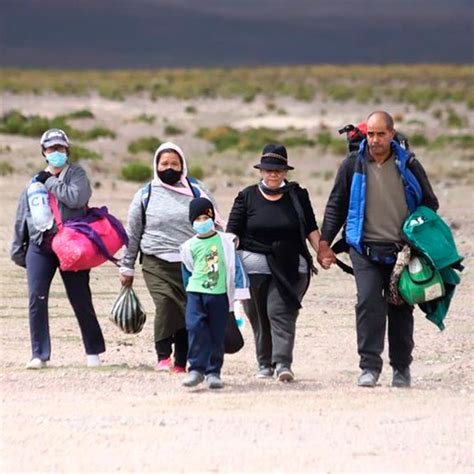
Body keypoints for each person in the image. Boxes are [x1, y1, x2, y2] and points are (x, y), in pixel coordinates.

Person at [317, 111, 439, 388]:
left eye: (380, 134)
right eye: (370, 134)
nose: (374, 140)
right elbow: (336, 204)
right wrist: (325, 242)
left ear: (392, 134)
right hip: (364, 248)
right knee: (368, 302)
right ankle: (369, 367)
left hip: (402, 252)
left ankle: (401, 369)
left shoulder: (408, 164)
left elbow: (430, 203)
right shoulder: (352, 164)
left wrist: (417, 233)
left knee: (400, 307)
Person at [120, 142, 224, 373]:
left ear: (183, 165)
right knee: (166, 304)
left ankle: (181, 361)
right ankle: (163, 356)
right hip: (155, 261)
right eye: (164, 163)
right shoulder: (145, 194)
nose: (169, 167)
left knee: (189, 310)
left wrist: (225, 253)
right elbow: (133, 232)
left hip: (192, 262)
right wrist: (127, 267)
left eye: (174, 164)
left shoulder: (197, 191)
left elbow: (217, 223)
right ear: (156, 165)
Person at [11, 128, 106, 369]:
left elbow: (75, 198)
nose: (56, 152)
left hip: (71, 244)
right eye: (51, 148)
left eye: (60, 148)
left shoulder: (77, 174)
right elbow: (23, 214)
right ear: (44, 151)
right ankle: (39, 354)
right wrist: (17, 248)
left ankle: (93, 352)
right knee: (36, 298)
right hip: (40, 245)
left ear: (67, 150)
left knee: (80, 297)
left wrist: (51, 181)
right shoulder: (34, 181)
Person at [226, 144, 320, 382]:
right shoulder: (246, 196)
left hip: (290, 265)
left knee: (279, 310)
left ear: (285, 171)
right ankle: (264, 364)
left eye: (278, 169)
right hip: (252, 267)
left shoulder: (298, 196)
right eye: (268, 169)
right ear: (261, 171)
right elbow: (232, 232)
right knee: (258, 315)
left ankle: (283, 364)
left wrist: (322, 252)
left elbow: (310, 228)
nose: (273, 174)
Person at [180, 197, 250, 389]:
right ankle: (195, 369)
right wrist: (188, 293)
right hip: (196, 293)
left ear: (212, 217)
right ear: (192, 221)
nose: (202, 222)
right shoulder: (188, 246)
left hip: (219, 295)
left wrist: (241, 292)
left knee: (216, 333)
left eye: (206, 217)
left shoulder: (226, 242)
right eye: (198, 218)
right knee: (195, 328)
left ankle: (213, 372)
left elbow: (236, 267)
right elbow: (187, 271)